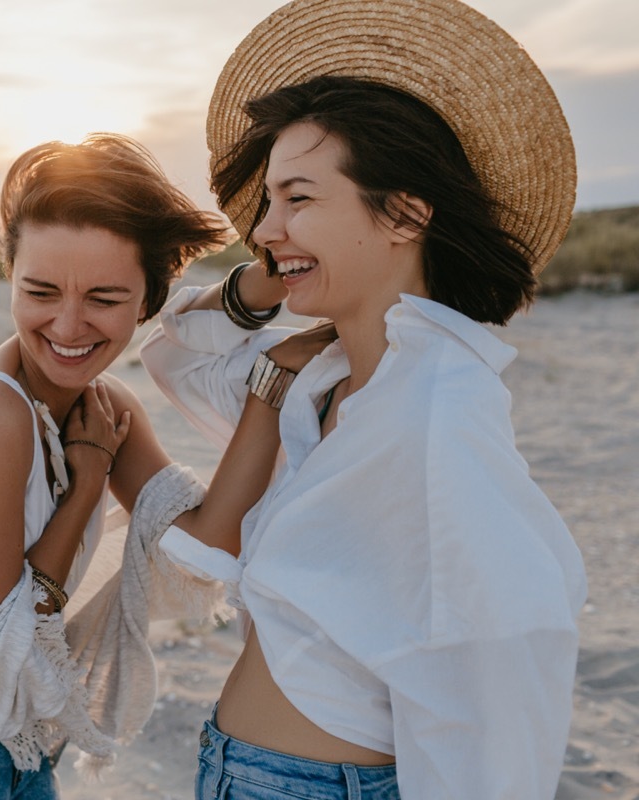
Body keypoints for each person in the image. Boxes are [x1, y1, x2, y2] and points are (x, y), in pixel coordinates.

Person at [139, 1, 588, 798]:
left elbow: (503, 661)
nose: (264, 228)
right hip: (245, 772)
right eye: (267, 203)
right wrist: (268, 281)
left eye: (298, 198)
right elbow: (173, 352)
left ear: (405, 213)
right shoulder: (321, 378)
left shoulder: (437, 413)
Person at [0, 132, 327, 799]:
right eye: (41, 291)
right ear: (10, 276)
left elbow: (208, 542)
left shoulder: (103, 406)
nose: (67, 325)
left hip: (16, 734)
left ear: (147, 302)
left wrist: (270, 382)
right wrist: (84, 488)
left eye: (104, 299)